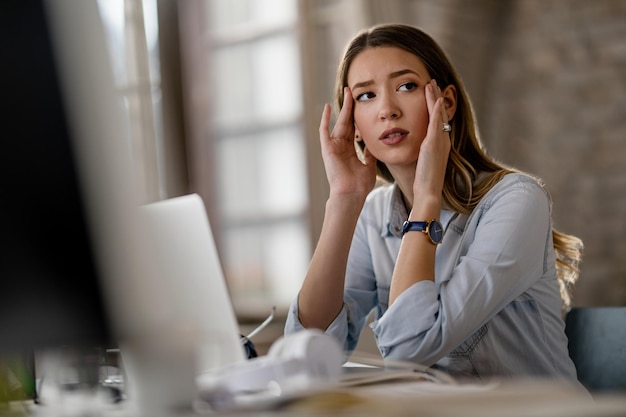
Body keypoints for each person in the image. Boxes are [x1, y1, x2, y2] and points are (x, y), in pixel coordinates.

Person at [284, 23, 584, 381]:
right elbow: (306, 351)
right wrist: (344, 200)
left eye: (406, 86)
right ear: (355, 126)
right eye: (366, 96)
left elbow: (410, 348)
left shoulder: (516, 201)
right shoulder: (374, 215)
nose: (387, 110)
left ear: (448, 103)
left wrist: (426, 197)